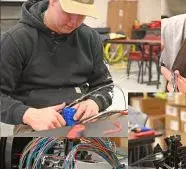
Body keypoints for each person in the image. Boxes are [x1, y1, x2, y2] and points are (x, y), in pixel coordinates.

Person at [0, 0, 114, 132]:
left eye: (82, 15)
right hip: (34, 123)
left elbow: (106, 86)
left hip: (81, 119)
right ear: (52, 1)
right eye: (69, 12)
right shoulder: (16, 40)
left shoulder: (90, 38)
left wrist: (95, 102)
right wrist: (27, 114)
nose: (74, 22)